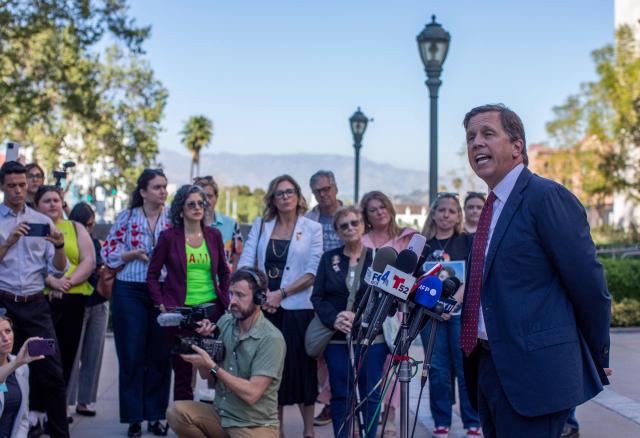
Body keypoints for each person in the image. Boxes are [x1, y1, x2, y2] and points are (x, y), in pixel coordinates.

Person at [460, 104, 611, 437]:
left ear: (517, 146)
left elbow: (588, 283)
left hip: (534, 375)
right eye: (470, 137)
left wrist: (598, 351)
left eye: (487, 133)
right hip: (487, 367)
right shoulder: (490, 208)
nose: (476, 143)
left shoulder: (546, 197)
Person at [238, 174, 322, 438]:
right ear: (272, 199)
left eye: (289, 192)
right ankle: (278, 430)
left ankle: (308, 431)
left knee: (302, 370)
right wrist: (263, 296)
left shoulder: (312, 228)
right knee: (271, 370)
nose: (285, 197)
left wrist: (281, 293)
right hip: (266, 309)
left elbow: (313, 271)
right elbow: (246, 264)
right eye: (279, 193)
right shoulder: (262, 225)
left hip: (298, 308)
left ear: (298, 196)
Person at [166, 268, 286, 438]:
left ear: (259, 298)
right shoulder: (225, 322)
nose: (233, 301)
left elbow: (251, 394)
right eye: (231, 294)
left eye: (240, 295)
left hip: (254, 425)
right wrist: (204, 350)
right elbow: (207, 375)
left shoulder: (271, 338)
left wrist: (213, 366)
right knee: (176, 412)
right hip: (222, 416)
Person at [0, 161, 69, 438]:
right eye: (12, 186)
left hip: (35, 305)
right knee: (5, 369)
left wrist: (60, 246)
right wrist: (8, 242)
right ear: (3, 187)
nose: (18, 190)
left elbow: (59, 269)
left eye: (22, 184)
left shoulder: (42, 221)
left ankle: (59, 433)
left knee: (52, 373)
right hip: (4, 306)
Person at [102, 168, 172, 437]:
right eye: (157, 187)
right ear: (143, 192)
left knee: (159, 355)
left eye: (164, 186)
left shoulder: (173, 221)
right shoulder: (127, 217)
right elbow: (107, 251)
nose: (163, 191)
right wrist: (129, 254)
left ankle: (156, 415)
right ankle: (134, 417)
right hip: (129, 290)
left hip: (162, 291)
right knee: (131, 355)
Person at [148, 184, 230, 401]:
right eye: (191, 204)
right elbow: (152, 274)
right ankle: (184, 424)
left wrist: (226, 297)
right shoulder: (168, 237)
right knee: (183, 373)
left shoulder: (214, 235)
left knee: (216, 370)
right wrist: (161, 304)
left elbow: (224, 270)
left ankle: (217, 420)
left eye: (201, 203)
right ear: (181, 209)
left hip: (213, 311)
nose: (197, 208)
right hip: (181, 314)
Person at [310, 206, 387, 438]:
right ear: (337, 230)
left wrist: (361, 317)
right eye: (344, 225)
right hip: (337, 338)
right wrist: (335, 318)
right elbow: (317, 297)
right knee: (341, 394)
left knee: (370, 394)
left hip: (371, 338)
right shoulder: (328, 258)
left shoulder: (379, 258)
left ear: (363, 225)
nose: (350, 228)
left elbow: (386, 298)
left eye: (354, 223)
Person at [419, 193, 480, 437]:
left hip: (461, 316)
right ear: (433, 213)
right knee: (437, 369)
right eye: (441, 210)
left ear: (458, 217)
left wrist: (452, 304)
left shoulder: (467, 242)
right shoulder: (424, 246)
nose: (446, 214)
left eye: (452, 211)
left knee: (465, 368)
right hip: (431, 318)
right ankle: (441, 420)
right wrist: (432, 307)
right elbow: (416, 282)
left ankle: (472, 422)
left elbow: (476, 276)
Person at [360, 190, 417, 434]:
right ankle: (368, 417)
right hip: (370, 311)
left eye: (382, 206)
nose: (379, 212)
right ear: (367, 216)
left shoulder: (405, 238)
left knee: (393, 368)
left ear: (390, 209)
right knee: (369, 368)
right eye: (373, 209)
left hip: (397, 313)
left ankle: (391, 416)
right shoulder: (362, 241)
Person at [36, 186, 96, 389]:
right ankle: (38, 408)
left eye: (56, 199)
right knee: (42, 352)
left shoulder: (75, 227)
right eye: (47, 200)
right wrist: (52, 282)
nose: (53, 204)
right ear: (37, 205)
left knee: (67, 352)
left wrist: (64, 283)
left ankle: (59, 406)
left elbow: (88, 261)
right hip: (42, 301)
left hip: (73, 299)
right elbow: (30, 263)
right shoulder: (33, 227)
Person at [305, 170, 343, 426]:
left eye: (327, 188)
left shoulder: (352, 215)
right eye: (318, 191)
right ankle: (330, 401)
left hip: (346, 290)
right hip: (320, 291)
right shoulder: (309, 219)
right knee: (318, 351)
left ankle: (341, 401)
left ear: (336, 187)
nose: (323, 194)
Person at [66, 202, 108, 417]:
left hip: (98, 302)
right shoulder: (65, 241)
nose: (88, 229)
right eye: (86, 224)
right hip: (75, 302)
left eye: (91, 224)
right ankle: (65, 401)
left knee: (94, 353)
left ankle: (85, 400)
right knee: (71, 355)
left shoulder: (95, 243)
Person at [0, 315, 46, 438]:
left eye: (8, 331)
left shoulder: (21, 367)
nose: (5, 338)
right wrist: (16, 363)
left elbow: (23, 418)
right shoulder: (18, 363)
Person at [193, 176, 243, 271]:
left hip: (222, 283)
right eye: (202, 196)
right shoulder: (186, 225)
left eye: (210, 196)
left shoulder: (232, 224)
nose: (206, 200)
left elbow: (238, 257)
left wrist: (231, 282)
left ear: (216, 197)